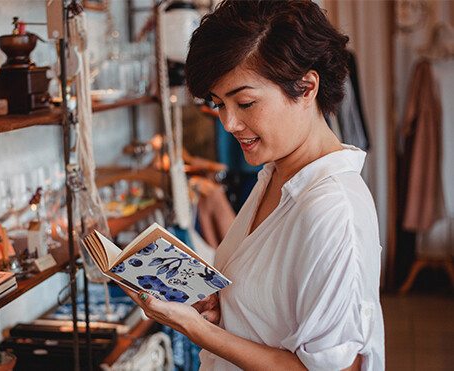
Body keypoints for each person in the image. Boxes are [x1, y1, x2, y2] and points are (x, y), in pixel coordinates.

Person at [121, 1, 385, 370]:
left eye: (245, 102)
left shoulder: (331, 210)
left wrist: (197, 330)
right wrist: (225, 305)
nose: (228, 123)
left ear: (306, 87)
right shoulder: (275, 175)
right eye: (218, 104)